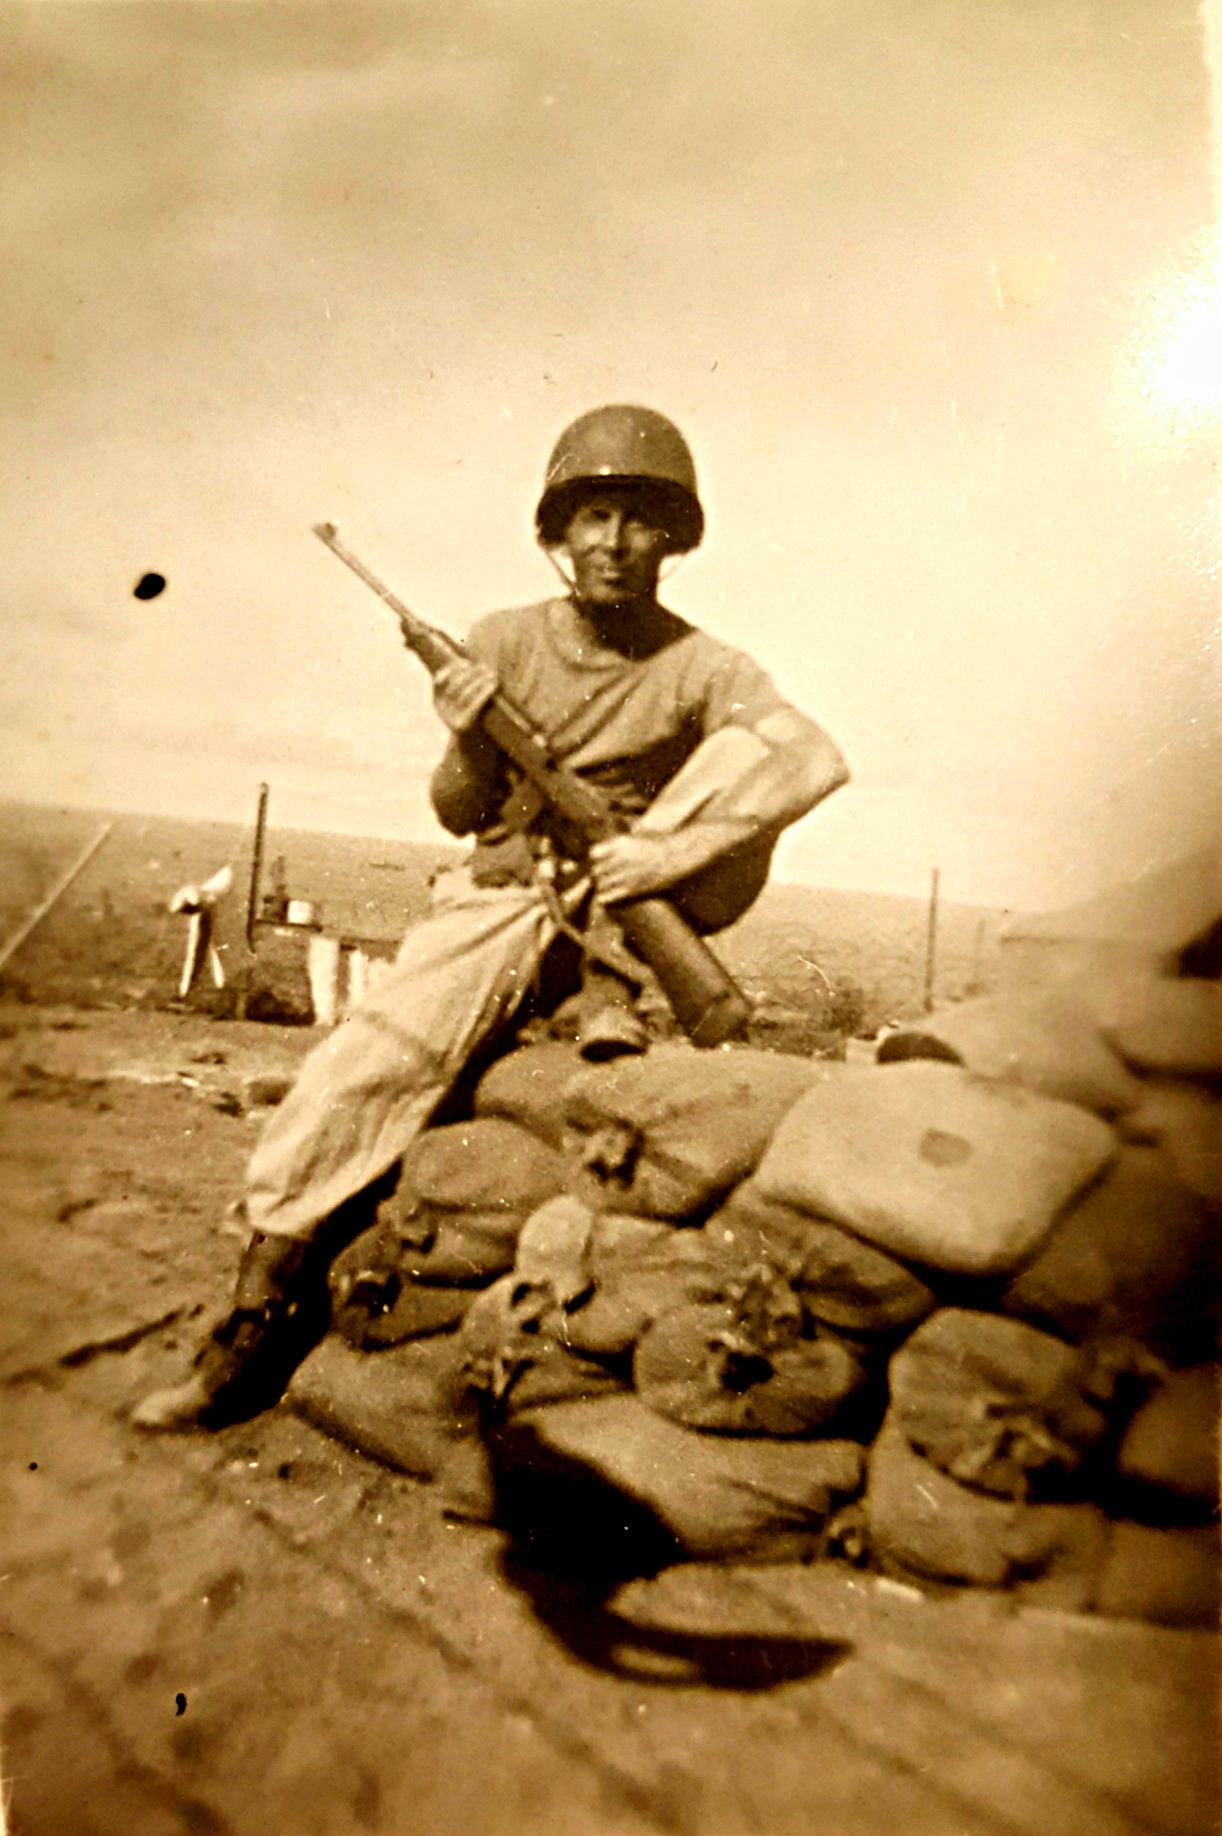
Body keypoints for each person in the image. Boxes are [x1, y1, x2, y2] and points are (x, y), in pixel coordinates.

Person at [133, 404, 849, 1431]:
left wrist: (667, 855)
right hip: (508, 893)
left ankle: (613, 979)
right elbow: (459, 813)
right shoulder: (502, 639)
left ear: (673, 539)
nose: (613, 543)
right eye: (592, 516)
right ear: (559, 533)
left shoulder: (706, 665)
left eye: (638, 520)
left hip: (631, 894)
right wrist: (471, 736)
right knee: (364, 1069)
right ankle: (249, 1324)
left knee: (752, 747)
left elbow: (819, 759)